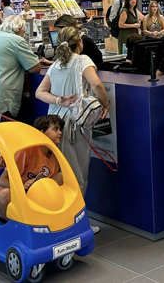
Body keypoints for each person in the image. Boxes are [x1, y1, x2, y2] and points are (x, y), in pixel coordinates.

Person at [35, 27, 109, 208]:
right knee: (77, 174)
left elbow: (40, 92)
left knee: (58, 172)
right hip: (75, 125)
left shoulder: (55, 65)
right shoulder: (83, 60)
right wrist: (105, 104)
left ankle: (59, 214)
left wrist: (60, 100)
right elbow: (96, 84)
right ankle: (77, 219)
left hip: (52, 125)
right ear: (80, 43)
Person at [0, 115, 65, 221]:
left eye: (60, 129)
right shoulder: (26, 151)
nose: (60, 133)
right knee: (4, 195)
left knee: (60, 176)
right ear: (41, 132)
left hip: (36, 194)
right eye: (55, 129)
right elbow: (2, 180)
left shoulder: (55, 155)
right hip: (16, 193)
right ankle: (9, 225)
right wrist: (21, 186)